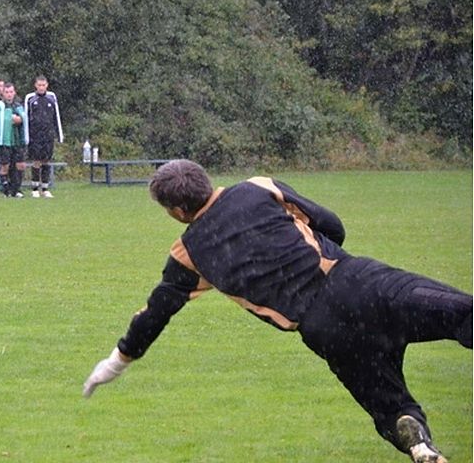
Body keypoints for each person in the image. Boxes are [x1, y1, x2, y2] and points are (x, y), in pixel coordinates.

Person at [83, 160, 471, 463]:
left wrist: (115, 362)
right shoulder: (257, 188)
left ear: (177, 211)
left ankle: (416, 439)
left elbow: (154, 314)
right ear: (205, 179)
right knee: (460, 314)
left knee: (389, 402)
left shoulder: (188, 254)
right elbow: (333, 225)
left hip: (323, 328)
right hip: (360, 283)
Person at [23, 76, 63, 198]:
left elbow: (57, 117)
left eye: (43, 85)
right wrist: (26, 136)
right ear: (35, 85)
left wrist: (59, 134)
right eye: (39, 85)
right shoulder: (30, 98)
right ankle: (35, 188)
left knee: (46, 160)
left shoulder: (51, 97)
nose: (41, 87)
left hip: (48, 135)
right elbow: (26, 118)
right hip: (35, 135)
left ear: (47, 85)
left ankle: (45, 188)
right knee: (36, 161)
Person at [0, 82, 27, 198]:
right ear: (3, 93)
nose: (9, 95)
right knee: (5, 165)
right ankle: (6, 189)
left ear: (14, 93)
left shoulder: (18, 106)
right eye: (7, 92)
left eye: (11, 92)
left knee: (20, 164)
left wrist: (20, 119)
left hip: (17, 140)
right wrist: (10, 119)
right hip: (4, 141)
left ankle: (17, 188)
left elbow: (24, 118)